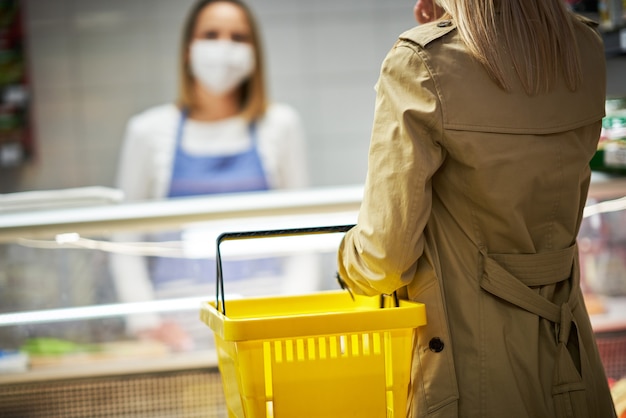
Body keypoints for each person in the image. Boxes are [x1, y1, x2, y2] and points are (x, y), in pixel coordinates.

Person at [337, 0, 617, 417]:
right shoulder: (584, 49)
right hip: (572, 366)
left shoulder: (421, 64)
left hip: (474, 376)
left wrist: (345, 261)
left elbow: (385, 258)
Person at [111, 0, 309, 350]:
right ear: (189, 48)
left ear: (254, 53)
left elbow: (304, 237)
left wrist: (290, 319)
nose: (224, 47)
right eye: (211, 34)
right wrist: (147, 323)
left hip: (265, 332)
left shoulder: (281, 125)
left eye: (238, 37)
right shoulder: (147, 131)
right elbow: (124, 242)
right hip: (179, 338)